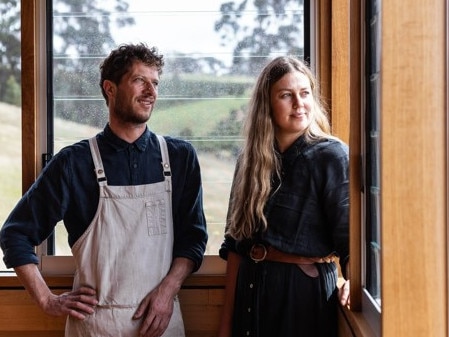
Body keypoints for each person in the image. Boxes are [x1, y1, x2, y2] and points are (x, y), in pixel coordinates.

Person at [0, 43, 208, 337]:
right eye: (139, 81)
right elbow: (15, 233)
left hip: (160, 323)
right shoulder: (74, 163)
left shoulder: (180, 157)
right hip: (96, 326)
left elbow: (194, 239)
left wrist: (167, 291)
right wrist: (47, 300)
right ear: (110, 89)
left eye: (155, 83)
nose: (151, 92)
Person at [217, 56, 350, 337]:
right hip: (249, 297)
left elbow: (350, 240)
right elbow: (236, 247)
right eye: (286, 95)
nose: (299, 103)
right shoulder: (249, 161)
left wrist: (358, 281)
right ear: (267, 104)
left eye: (305, 93)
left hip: (301, 300)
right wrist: (225, 327)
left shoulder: (332, 156)